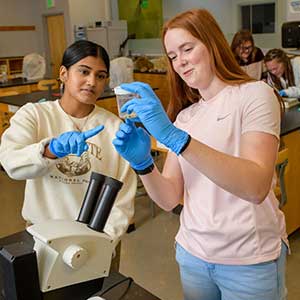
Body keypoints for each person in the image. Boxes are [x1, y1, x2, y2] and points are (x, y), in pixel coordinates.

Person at [112, 8, 288, 300]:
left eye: (187, 49)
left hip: (248, 260)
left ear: (213, 44)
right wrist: (143, 165)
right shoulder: (186, 117)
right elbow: (170, 198)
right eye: (172, 55)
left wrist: (176, 139)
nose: (179, 62)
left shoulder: (254, 95)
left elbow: (256, 186)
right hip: (192, 255)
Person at [0, 40, 136, 245]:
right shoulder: (35, 115)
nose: (92, 81)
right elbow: (11, 162)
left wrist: (105, 241)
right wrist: (49, 151)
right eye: (84, 71)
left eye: (100, 76)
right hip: (41, 236)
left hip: (97, 239)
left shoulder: (114, 128)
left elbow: (123, 194)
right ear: (64, 73)